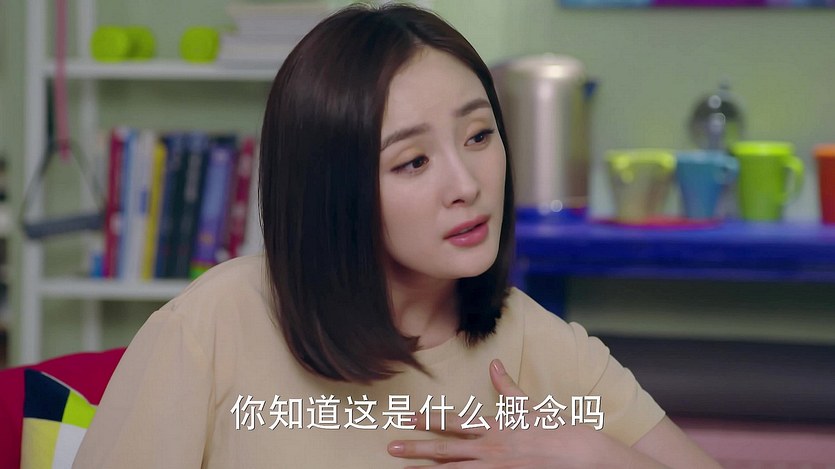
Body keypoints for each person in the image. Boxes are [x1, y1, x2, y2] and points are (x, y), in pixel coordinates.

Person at [74, 4, 720, 468]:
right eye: (412, 162)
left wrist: (592, 454)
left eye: (478, 135)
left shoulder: (539, 346)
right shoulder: (212, 325)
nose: (465, 183)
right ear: (332, 188)